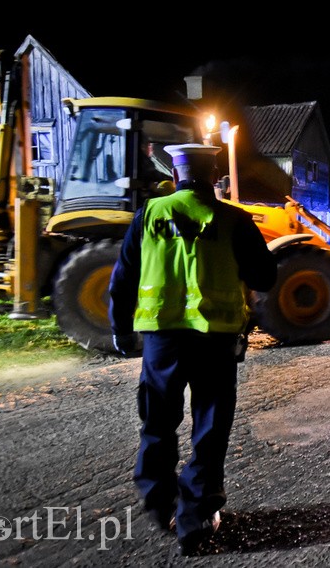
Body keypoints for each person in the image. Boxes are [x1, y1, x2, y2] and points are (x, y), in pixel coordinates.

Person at [108, 143, 277, 555]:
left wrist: (121, 330)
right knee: (210, 428)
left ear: (176, 175)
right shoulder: (234, 219)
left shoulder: (149, 214)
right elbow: (265, 277)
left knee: (158, 422)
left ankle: (158, 502)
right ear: (215, 175)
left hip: (162, 340)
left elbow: (123, 277)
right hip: (215, 339)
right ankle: (195, 518)